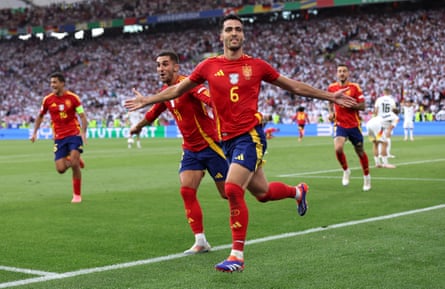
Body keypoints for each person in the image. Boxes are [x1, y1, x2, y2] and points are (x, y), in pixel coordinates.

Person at [125, 14, 356, 273]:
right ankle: (297, 191)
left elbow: (292, 86)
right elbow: (177, 90)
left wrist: (329, 96)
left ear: (243, 35)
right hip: (227, 142)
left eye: (238, 29)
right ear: (221, 36)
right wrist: (148, 100)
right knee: (262, 193)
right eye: (229, 29)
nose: (234, 33)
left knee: (233, 189)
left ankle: (237, 255)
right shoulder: (208, 66)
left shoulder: (257, 66)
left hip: (250, 136)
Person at [130, 51, 229, 255]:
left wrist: (224, 110)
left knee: (229, 194)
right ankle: (200, 241)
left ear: (176, 67)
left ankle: (287, 191)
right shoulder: (165, 93)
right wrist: (138, 127)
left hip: (211, 146)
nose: (160, 69)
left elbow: (210, 99)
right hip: (191, 150)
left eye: (165, 64)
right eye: (158, 65)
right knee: (186, 190)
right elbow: (153, 113)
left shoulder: (189, 85)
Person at [30, 72, 88, 203]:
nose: (52, 85)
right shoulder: (48, 100)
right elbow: (40, 116)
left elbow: (83, 116)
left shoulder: (73, 98)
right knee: (61, 169)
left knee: (74, 164)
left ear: (62, 83)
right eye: (51, 83)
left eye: (55, 82)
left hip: (74, 133)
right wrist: (35, 132)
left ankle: (77, 195)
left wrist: (83, 132)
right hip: (59, 137)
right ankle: (75, 159)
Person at [328, 64, 371, 191]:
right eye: (339, 71)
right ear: (336, 73)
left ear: (348, 73)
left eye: (344, 71)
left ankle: (367, 177)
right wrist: (331, 112)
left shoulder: (355, 88)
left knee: (360, 151)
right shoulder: (332, 88)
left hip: (354, 125)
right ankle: (346, 170)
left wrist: (350, 105)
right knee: (338, 148)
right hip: (340, 124)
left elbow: (363, 106)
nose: (342, 73)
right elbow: (329, 101)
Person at [374, 88, 396, 158]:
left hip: (380, 120)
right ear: (389, 92)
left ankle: (380, 154)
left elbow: (376, 110)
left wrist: (375, 118)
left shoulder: (379, 99)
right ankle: (387, 153)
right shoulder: (391, 100)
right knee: (388, 137)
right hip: (388, 120)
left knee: (380, 136)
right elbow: (394, 110)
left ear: (383, 92)